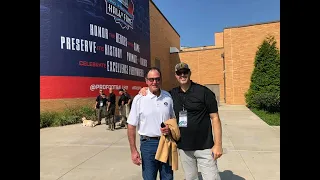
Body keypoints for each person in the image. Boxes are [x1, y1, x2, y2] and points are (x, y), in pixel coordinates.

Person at [139, 62, 223, 180]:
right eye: (179, 73)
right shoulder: (171, 94)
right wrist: (145, 89)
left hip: (205, 147)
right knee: (191, 178)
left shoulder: (204, 92)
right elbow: (156, 91)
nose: (182, 75)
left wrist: (218, 145)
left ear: (189, 73)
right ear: (176, 75)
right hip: (184, 148)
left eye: (185, 72)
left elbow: (215, 118)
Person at [127, 67, 176, 180]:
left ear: (161, 80)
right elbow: (131, 126)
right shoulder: (139, 99)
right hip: (148, 144)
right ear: (146, 81)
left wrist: (170, 128)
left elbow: (173, 119)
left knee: (168, 177)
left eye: (157, 79)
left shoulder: (168, 97)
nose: (154, 82)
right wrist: (133, 150)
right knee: (149, 178)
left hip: (166, 142)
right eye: (151, 79)